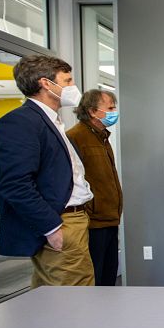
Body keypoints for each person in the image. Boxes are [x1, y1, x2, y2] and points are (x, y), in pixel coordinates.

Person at [0, 54, 95, 287]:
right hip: (59, 223)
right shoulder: (21, 123)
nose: (73, 86)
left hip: (72, 220)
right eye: (67, 81)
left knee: (52, 296)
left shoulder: (51, 121)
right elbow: (15, 184)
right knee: (75, 299)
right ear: (46, 83)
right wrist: (52, 227)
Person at [67, 89, 123, 286]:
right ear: (92, 111)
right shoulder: (76, 137)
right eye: (110, 108)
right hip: (92, 221)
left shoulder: (102, 137)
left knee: (109, 273)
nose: (114, 111)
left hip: (109, 218)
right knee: (95, 276)